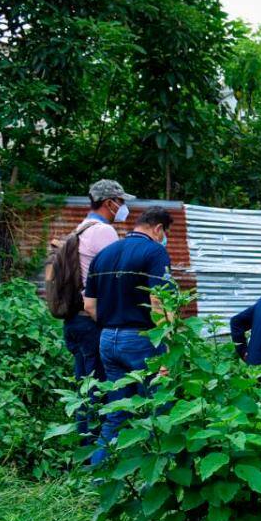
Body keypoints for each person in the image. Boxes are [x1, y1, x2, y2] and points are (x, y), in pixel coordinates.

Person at [83, 207, 174, 466]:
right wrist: (168, 347)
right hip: (142, 340)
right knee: (159, 410)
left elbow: (89, 305)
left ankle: (98, 475)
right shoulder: (154, 251)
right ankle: (157, 478)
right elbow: (158, 301)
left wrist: (114, 325)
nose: (164, 238)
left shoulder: (104, 255)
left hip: (107, 339)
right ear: (158, 228)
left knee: (118, 412)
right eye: (164, 233)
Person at [61, 179, 133, 440]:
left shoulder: (81, 228)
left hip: (74, 320)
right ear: (109, 203)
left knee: (85, 388)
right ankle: (99, 452)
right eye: (121, 202)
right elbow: (115, 277)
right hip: (92, 321)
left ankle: (85, 447)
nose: (123, 208)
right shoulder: (103, 232)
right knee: (99, 391)